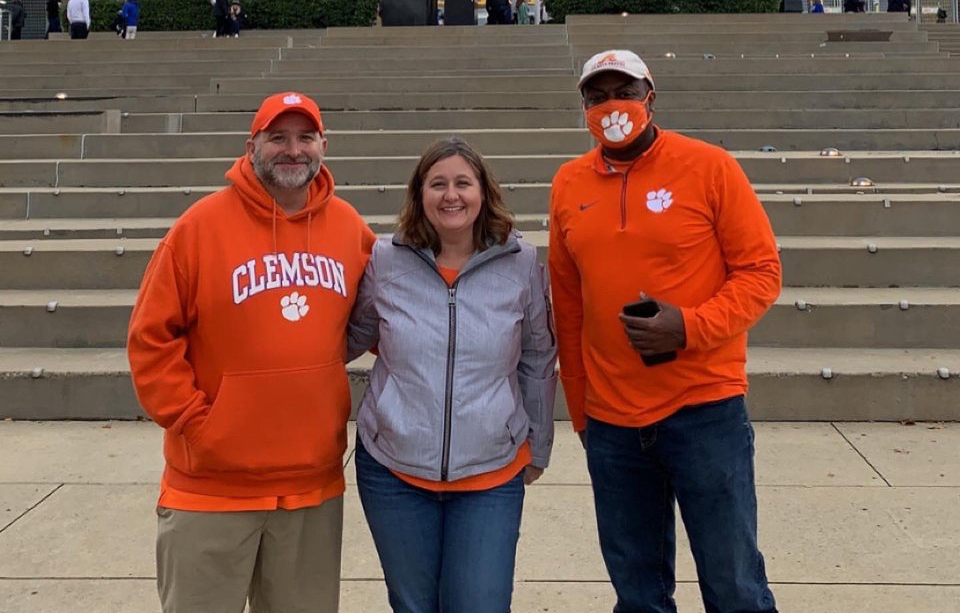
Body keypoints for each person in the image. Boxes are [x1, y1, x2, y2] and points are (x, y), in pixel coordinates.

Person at [549, 49, 782, 613]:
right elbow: (569, 303)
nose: (611, 106)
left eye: (623, 91)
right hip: (612, 422)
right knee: (638, 592)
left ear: (650, 97)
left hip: (703, 408)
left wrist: (690, 328)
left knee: (734, 585)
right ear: (584, 106)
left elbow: (762, 272)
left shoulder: (710, 167)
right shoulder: (568, 182)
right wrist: (582, 411)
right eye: (597, 96)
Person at [127, 91, 375, 613]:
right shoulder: (198, 228)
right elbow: (151, 339)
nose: (293, 150)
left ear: (323, 145)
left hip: (311, 488)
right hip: (211, 488)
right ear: (252, 145)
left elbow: (388, 319)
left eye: (305, 137)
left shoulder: (350, 229)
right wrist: (198, 423)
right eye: (277, 138)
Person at [348, 137, 556, 613]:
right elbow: (351, 335)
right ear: (419, 194)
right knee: (413, 605)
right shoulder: (386, 260)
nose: (451, 195)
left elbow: (537, 356)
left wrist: (538, 443)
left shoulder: (519, 261)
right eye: (437, 184)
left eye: (463, 183)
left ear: (483, 192)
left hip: (490, 472)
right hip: (393, 470)